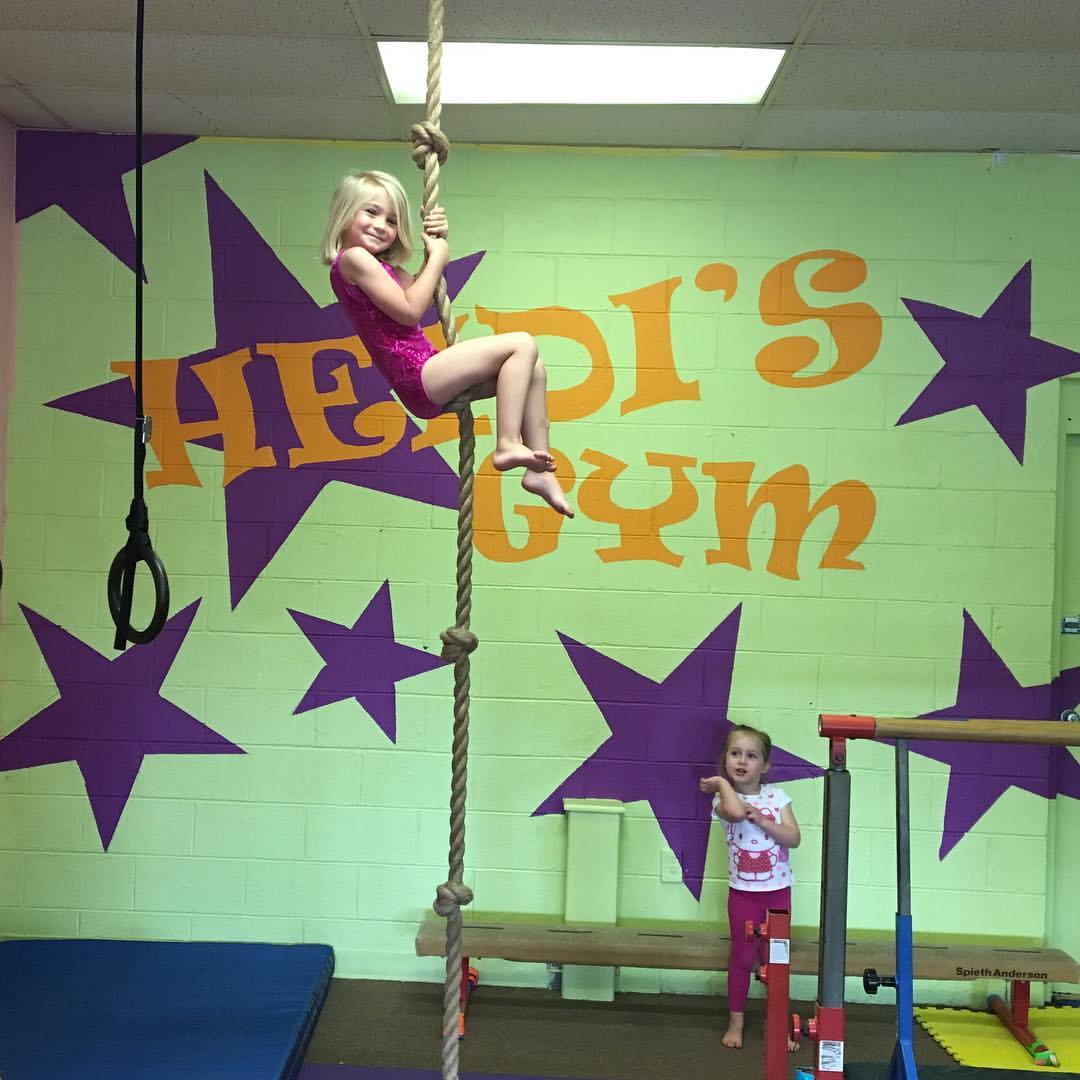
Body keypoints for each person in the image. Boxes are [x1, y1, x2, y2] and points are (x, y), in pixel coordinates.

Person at [321, 170, 573, 517]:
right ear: (345, 212)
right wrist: (440, 255)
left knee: (534, 367)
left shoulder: (381, 268)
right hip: (418, 375)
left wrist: (434, 238)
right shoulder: (353, 259)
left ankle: (539, 471)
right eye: (371, 212)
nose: (382, 225)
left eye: (392, 220)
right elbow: (410, 311)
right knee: (522, 343)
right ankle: (506, 445)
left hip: (427, 372)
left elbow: (420, 286)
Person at [699, 724, 801, 1051]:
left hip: (777, 892)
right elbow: (734, 811)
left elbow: (794, 838)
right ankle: (736, 1021)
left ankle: (779, 1025)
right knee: (742, 957)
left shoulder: (778, 797)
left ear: (765, 766)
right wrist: (720, 783)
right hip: (743, 894)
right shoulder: (722, 798)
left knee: (776, 959)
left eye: (752, 755)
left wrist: (764, 820)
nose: (742, 760)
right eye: (735, 754)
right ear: (725, 759)